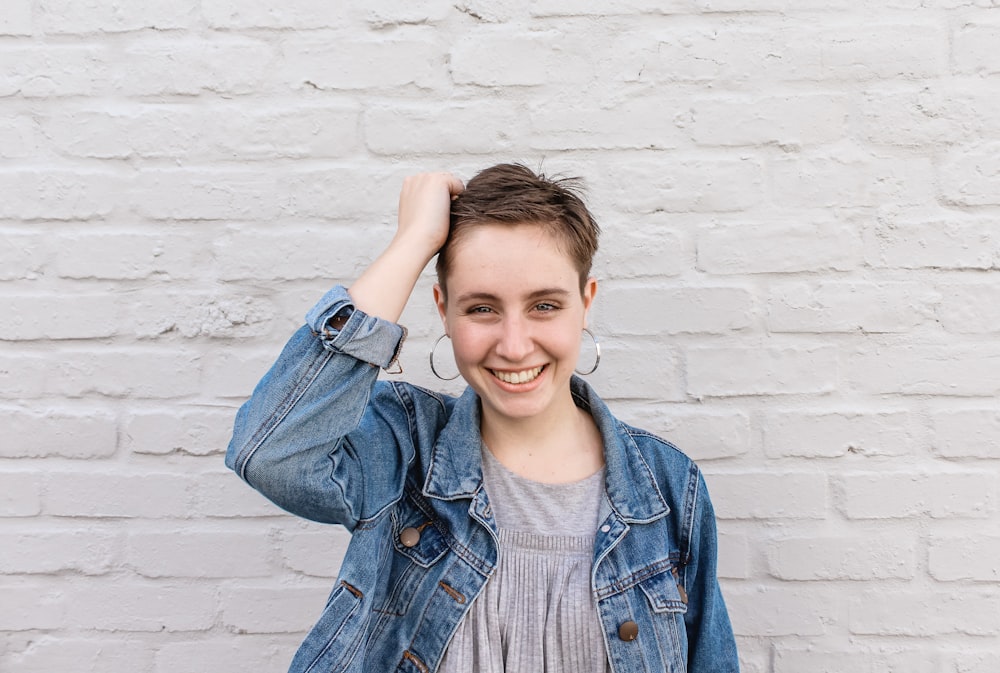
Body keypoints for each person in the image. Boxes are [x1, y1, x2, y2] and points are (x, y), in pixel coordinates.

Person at [225, 164, 739, 673]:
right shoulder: (403, 449)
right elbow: (270, 455)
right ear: (442, 309)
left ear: (586, 304)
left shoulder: (669, 488)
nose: (515, 347)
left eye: (544, 305)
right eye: (481, 309)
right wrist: (413, 242)